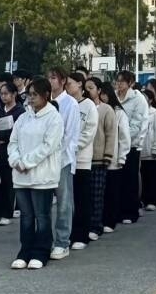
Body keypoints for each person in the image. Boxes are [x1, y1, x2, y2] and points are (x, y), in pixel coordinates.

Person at [7, 77, 65, 270]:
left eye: (35, 95)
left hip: (42, 175)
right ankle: (25, 251)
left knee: (42, 215)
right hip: (21, 176)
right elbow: (13, 142)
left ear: (46, 95)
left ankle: (41, 251)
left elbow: (48, 146)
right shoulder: (24, 117)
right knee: (26, 216)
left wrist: (26, 162)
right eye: (29, 95)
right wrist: (15, 160)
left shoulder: (54, 118)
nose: (31, 99)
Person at [46, 68, 81, 259]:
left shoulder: (70, 103)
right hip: (44, 159)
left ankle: (62, 241)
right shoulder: (45, 101)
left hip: (63, 159)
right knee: (44, 202)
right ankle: (45, 239)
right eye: (49, 78)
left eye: (54, 78)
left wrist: (55, 153)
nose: (50, 81)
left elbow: (70, 135)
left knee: (64, 202)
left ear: (62, 81)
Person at [114, 71, 149, 226]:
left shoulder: (138, 99)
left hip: (132, 144)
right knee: (117, 179)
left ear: (130, 83)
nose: (119, 85)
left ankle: (130, 211)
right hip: (115, 144)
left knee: (130, 179)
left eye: (122, 82)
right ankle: (118, 211)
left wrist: (124, 137)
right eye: (117, 81)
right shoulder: (114, 96)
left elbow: (137, 124)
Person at [69, 72, 99, 249]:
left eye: (70, 83)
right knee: (68, 201)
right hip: (66, 159)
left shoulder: (89, 106)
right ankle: (69, 233)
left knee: (82, 198)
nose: (67, 87)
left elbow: (89, 132)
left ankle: (81, 235)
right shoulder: (66, 103)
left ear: (80, 84)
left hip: (81, 159)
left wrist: (73, 146)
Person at [100, 81, 132, 234]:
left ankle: (111, 220)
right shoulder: (98, 110)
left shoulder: (119, 112)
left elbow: (125, 137)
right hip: (100, 158)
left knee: (113, 191)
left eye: (104, 94)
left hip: (114, 158)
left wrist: (122, 157)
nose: (102, 97)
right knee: (103, 192)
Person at [0, 81, 24, 226]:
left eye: (6, 94)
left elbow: (18, 132)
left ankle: (6, 213)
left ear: (14, 94)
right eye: (1, 94)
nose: (3, 96)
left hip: (10, 150)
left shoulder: (20, 111)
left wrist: (3, 138)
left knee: (8, 182)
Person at [87, 77, 116, 238]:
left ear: (99, 90)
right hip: (83, 159)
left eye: (91, 88)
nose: (88, 91)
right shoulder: (82, 107)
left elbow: (111, 134)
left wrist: (107, 155)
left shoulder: (106, 109)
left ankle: (95, 226)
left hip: (99, 158)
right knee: (84, 196)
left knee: (96, 195)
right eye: (86, 88)